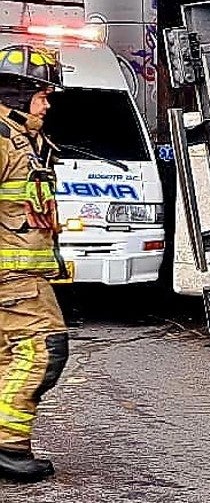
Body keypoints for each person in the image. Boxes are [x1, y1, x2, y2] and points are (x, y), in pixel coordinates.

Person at [0, 45, 67, 483]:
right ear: (20, 95)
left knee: (9, 359)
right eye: (42, 95)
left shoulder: (25, 140)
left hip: (22, 274)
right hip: (12, 276)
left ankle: (10, 446)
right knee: (46, 351)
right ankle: (6, 443)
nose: (47, 103)